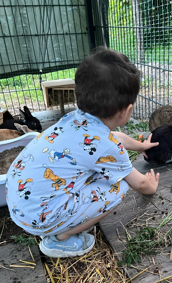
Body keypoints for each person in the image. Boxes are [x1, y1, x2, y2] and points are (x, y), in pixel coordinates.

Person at [6, 47, 160, 258]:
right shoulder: (105, 145)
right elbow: (139, 184)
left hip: (19, 203)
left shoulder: (77, 119)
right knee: (119, 187)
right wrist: (151, 186)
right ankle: (61, 238)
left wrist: (141, 146)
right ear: (127, 110)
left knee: (98, 173)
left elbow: (114, 137)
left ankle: (67, 219)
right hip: (38, 217)